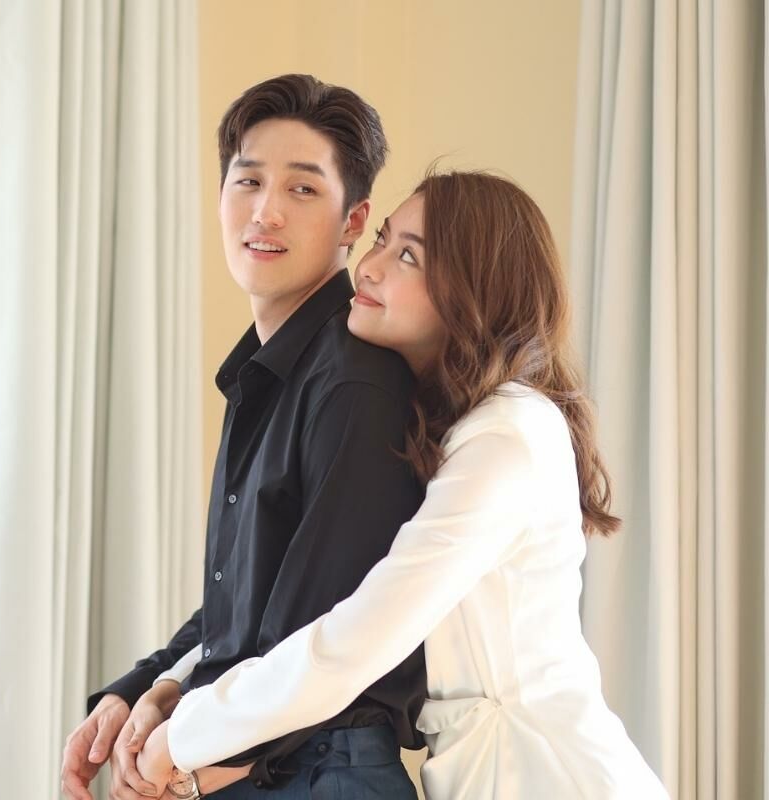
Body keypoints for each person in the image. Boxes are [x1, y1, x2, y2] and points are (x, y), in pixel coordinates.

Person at [133, 171, 670, 799]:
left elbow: (361, 636)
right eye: (382, 241)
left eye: (408, 257)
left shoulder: (507, 435)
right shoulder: (447, 425)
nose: (369, 268)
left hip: (550, 774)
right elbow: (300, 589)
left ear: (476, 291)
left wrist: (184, 736)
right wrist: (175, 680)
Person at [60, 74, 428, 800]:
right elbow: (243, 608)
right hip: (253, 760)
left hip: (318, 771)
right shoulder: (268, 371)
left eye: (302, 189)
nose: (265, 211)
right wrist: (139, 690)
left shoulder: (354, 382)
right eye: (248, 180)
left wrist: (177, 756)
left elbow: (313, 640)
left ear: (353, 221)